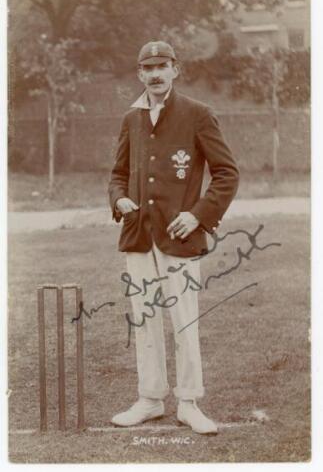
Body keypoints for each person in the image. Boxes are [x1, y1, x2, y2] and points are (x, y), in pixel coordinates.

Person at [108, 40, 239, 434]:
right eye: (148, 68)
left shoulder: (198, 114)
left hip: (178, 237)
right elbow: (117, 174)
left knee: (184, 322)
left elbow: (227, 173)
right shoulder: (131, 118)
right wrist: (120, 200)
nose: (155, 74)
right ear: (139, 74)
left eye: (162, 66)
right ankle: (150, 400)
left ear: (175, 69)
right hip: (138, 237)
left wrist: (197, 215)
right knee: (144, 320)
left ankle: (189, 402)